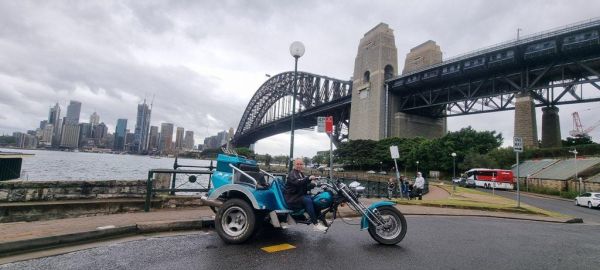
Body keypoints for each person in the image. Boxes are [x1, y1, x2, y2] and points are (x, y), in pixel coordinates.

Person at [285, 158, 328, 232]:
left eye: (301, 164)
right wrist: (308, 178)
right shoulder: (292, 173)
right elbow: (298, 182)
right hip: (292, 198)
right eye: (297, 164)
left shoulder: (300, 173)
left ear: (303, 165)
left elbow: (304, 185)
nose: (299, 165)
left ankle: (321, 219)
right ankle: (315, 224)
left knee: (315, 199)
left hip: (298, 195)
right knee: (308, 201)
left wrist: (314, 184)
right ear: (294, 165)